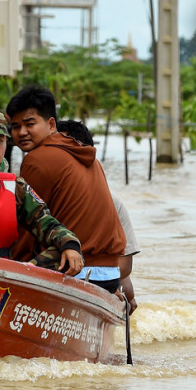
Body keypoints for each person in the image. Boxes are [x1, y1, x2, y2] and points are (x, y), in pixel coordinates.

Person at [6, 87, 126, 294]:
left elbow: (27, 228)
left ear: (51, 124)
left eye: (30, 124)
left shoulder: (37, 159)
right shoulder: (88, 156)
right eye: (15, 126)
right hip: (111, 274)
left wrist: (9, 267)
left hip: (74, 267)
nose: (22, 132)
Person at [0, 110, 83, 275]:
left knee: (64, 250)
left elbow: (47, 224)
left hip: (5, 272)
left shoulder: (15, 187)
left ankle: (27, 273)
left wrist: (70, 244)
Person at [56, 119, 141, 309]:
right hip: (64, 274)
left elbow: (124, 266)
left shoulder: (113, 202)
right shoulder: (44, 194)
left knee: (128, 296)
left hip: (97, 276)